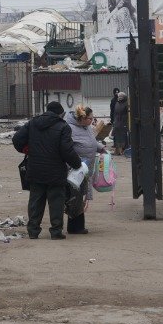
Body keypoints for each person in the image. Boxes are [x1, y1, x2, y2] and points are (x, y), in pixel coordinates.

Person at [12, 100, 81, 240]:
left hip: (35, 169)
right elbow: (67, 150)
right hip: (55, 171)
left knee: (35, 201)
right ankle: (56, 232)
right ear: (60, 114)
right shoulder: (63, 127)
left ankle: (33, 231)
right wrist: (77, 163)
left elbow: (17, 139)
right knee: (56, 202)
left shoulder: (33, 123)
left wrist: (26, 150)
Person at [66, 105, 105, 234]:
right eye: (90, 118)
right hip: (76, 168)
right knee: (75, 196)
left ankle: (79, 225)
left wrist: (100, 148)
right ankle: (74, 227)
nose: (92, 120)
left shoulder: (86, 127)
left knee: (82, 195)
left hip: (86, 167)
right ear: (82, 118)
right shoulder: (69, 128)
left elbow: (91, 141)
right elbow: (67, 147)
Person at [113, 92, 131, 157]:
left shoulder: (126, 104)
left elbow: (128, 114)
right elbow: (115, 113)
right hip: (117, 122)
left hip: (124, 122)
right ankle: (117, 150)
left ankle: (124, 149)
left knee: (124, 137)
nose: (119, 98)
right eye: (119, 96)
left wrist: (127, 122)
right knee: (116, 136)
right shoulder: (117, 103)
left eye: (121, 96)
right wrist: (114, 121)